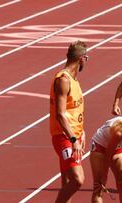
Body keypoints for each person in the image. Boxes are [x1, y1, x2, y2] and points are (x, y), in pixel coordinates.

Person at [49, 40, 88, 202]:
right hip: (64, 137)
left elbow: (73, 110)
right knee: (78, 179)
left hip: (74, 135)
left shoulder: (74, 80)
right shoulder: (63, 80)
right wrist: (73, 139)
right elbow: (60, 114)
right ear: (81, 59)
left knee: (66, 181)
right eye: (87, 58)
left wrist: (81, 131)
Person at [90, 116, 122, 203]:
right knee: (99, 187)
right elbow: (107, 156)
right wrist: (104, 176)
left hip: (116, 146)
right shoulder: (119, 132)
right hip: (100, 146)